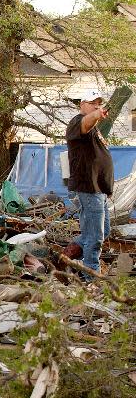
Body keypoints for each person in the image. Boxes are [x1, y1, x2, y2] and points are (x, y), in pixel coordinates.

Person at [66, 88, 113, 277]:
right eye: (92, 103)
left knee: (103, 230)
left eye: (98, 103)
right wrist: (96, 114)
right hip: (87, 189)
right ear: (82, 105)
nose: (96, 106)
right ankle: (91, 278)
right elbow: (86, 121)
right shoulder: (77, 122)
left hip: (98, 190)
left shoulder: (94, 129)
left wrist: (107, 187)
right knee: (94, 236)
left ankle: (70, 254)